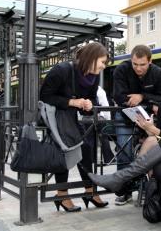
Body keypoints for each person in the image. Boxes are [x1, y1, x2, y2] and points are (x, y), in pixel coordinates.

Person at [39, 42, 109, 212]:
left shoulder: (93, 77)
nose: (104, 66)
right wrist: (72, 102)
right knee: (65, 151)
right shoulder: (62, 70)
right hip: (53, 120)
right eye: (102, 61)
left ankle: (89, 191)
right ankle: (62, 195)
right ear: (91, 58)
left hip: (69, 119)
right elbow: (45, 96)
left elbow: (92, 98)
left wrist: (88, 104)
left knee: (85, 149)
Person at [113, 45, 161, 205]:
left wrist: (142, 97)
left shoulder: (158, 73)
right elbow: (118, 96)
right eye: (135, 64)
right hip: (124, 116)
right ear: (131, 60)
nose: (138, 68)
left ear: (150, 61)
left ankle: (147, 188)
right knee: (123, 151)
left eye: (142, 64)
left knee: (151, 151)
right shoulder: (121, 70)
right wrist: (151, 101)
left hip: (150, 118)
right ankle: (123, 191)